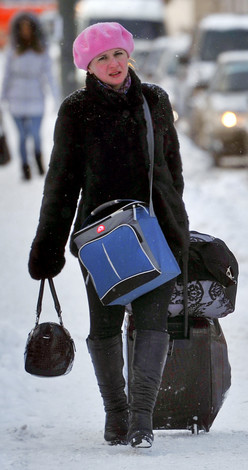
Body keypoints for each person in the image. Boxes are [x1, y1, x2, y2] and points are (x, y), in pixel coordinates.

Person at [26, 22, 189, 449]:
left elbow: (173, 170)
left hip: (152, 232)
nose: (113, 64)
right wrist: (48, 247)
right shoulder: (76, 110)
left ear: (128, 55)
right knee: (105, 325)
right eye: (102, 58)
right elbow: (61, 183)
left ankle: (141, 419)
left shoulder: (154, 100)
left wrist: (175, 221)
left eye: (117, 54)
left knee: (154, 322)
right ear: (89, 66)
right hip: (100, 239)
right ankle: (115, 414)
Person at [1, 11, 58, 180]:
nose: (26, 31)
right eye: (22, 28)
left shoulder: (41, 49)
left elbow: (49, 75)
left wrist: (56, 97)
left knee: (35, 134)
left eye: (28, 27)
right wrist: (2, 97)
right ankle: (25, 167)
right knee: (22, 136)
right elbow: (7, 75)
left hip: (35, 97)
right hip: (16, 98)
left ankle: (39, 162)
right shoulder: (13, 50)